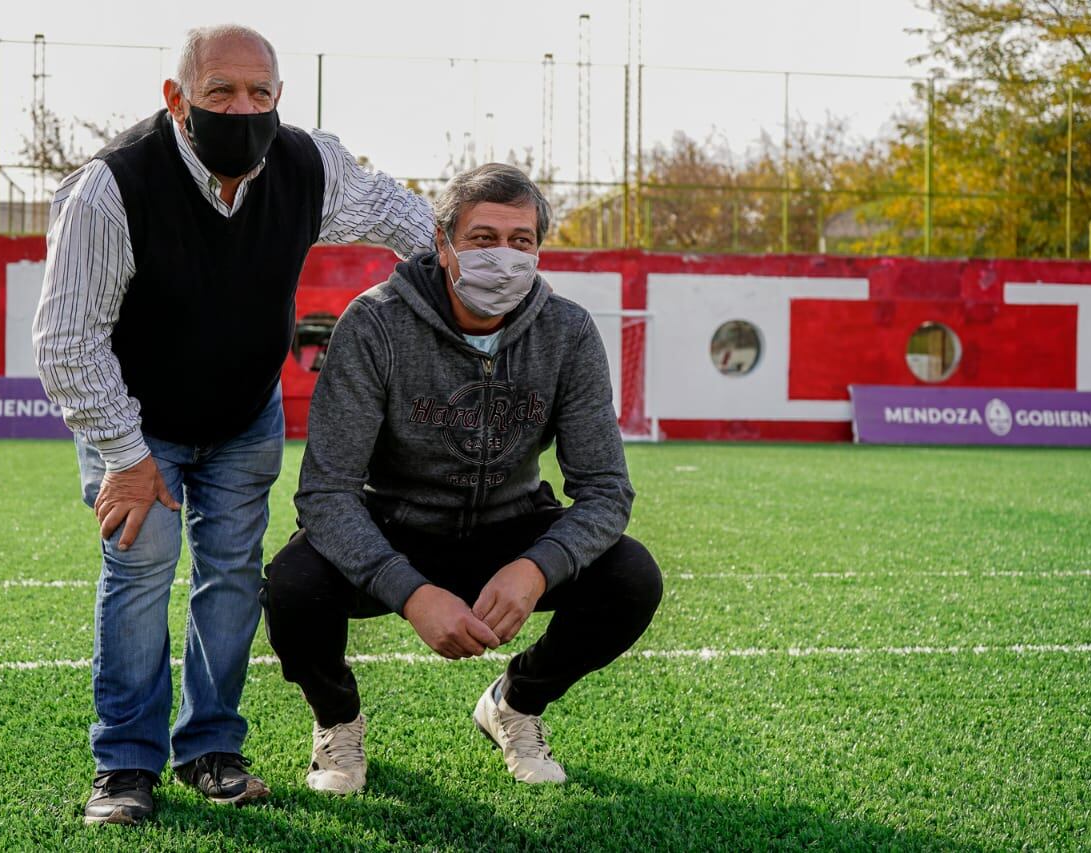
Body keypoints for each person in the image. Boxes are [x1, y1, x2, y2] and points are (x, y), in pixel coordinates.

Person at [32, 24, 434, 826]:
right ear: (177, 99)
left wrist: (469, 270)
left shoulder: (306, 165)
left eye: (260, 93)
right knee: (140, 572)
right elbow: (66, 342)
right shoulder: (111, 188)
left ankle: (211, 747)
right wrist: (125, 453)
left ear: (280, 99)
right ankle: (125, 764)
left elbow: (402, 215)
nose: (242, 108)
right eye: (221, 91)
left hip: (244, 415)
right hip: (136, 423)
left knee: (229, 579)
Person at [262, 163, 662, 794]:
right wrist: (411, 591)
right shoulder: (373, 323)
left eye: (521, 241)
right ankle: (336, 721)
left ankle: (516, 703)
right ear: (443, 245)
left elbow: (606, 490)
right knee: (292, 585)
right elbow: (326, 492)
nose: (503, 257)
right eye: (483, 239)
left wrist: (537, 567)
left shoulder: (568, 331)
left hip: (510, 525)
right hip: (396, 525)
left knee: (632, 576)